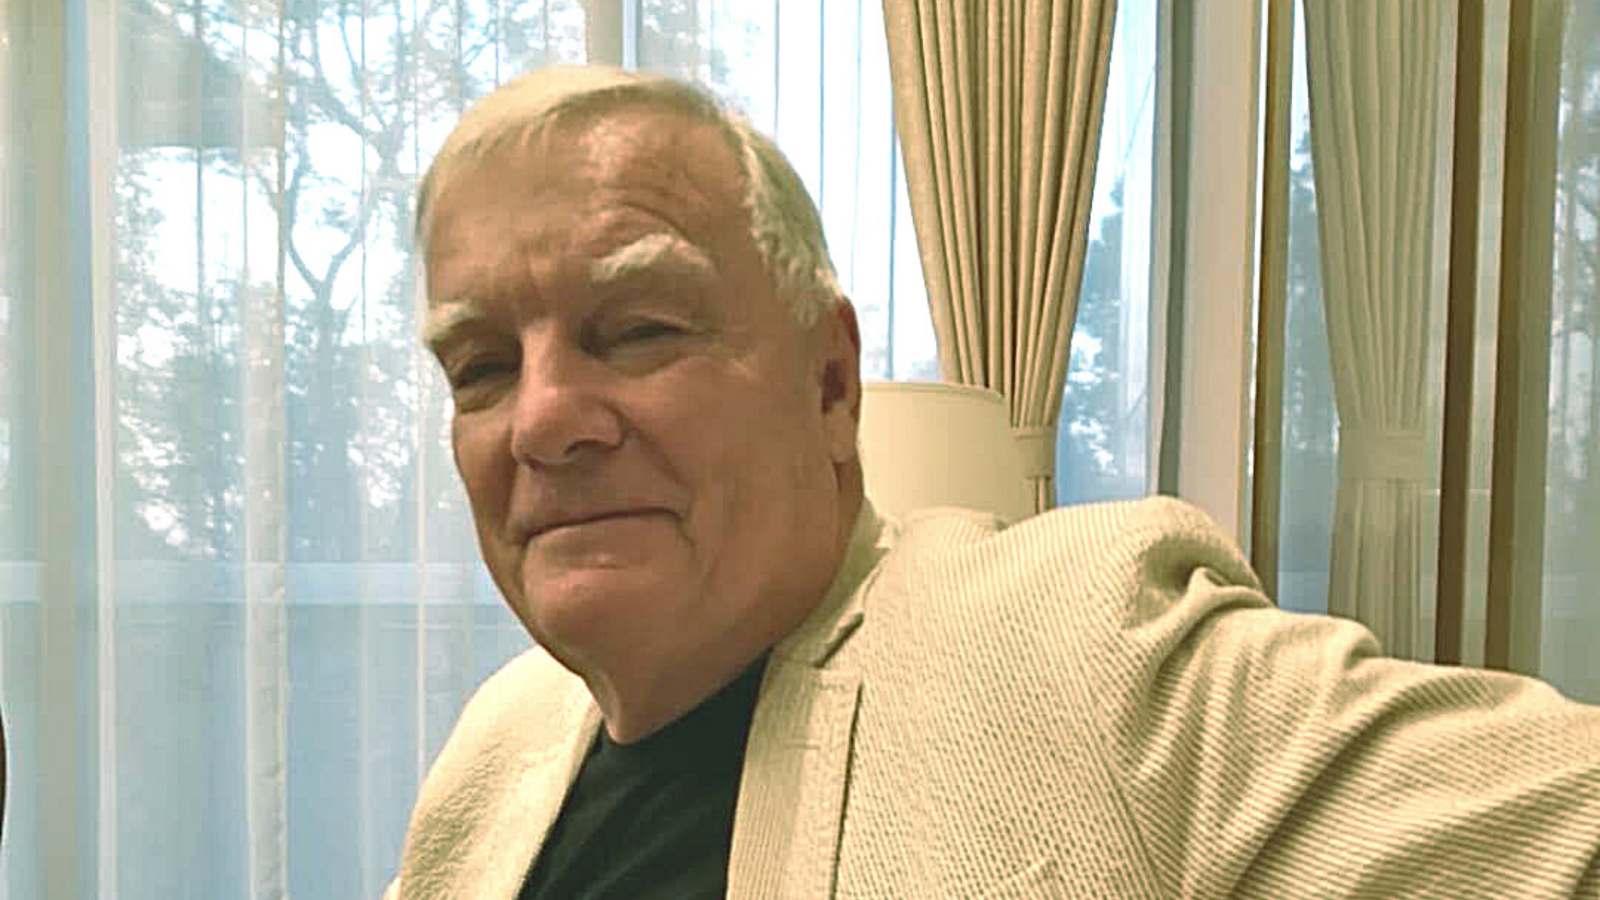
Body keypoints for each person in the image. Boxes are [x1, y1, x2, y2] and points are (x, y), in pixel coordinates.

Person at [386, 64, 1600, 899]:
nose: (541, 419)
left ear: (827, 385)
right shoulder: (497, 746)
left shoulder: (1089, 649)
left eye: (639, 328)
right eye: (482, 367)